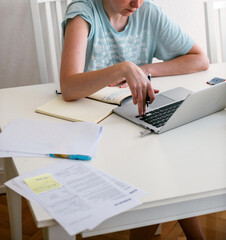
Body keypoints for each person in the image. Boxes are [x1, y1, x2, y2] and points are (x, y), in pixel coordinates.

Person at [60, 0, 208, 239]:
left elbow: (200, 59)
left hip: (135, 118)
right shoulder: (83, 14)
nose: (136, 3)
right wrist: (123, 68)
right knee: (161, 166)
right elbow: (68, 87)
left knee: (165, 158)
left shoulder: (148, 12)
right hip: (96, 128)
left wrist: (143, 69)